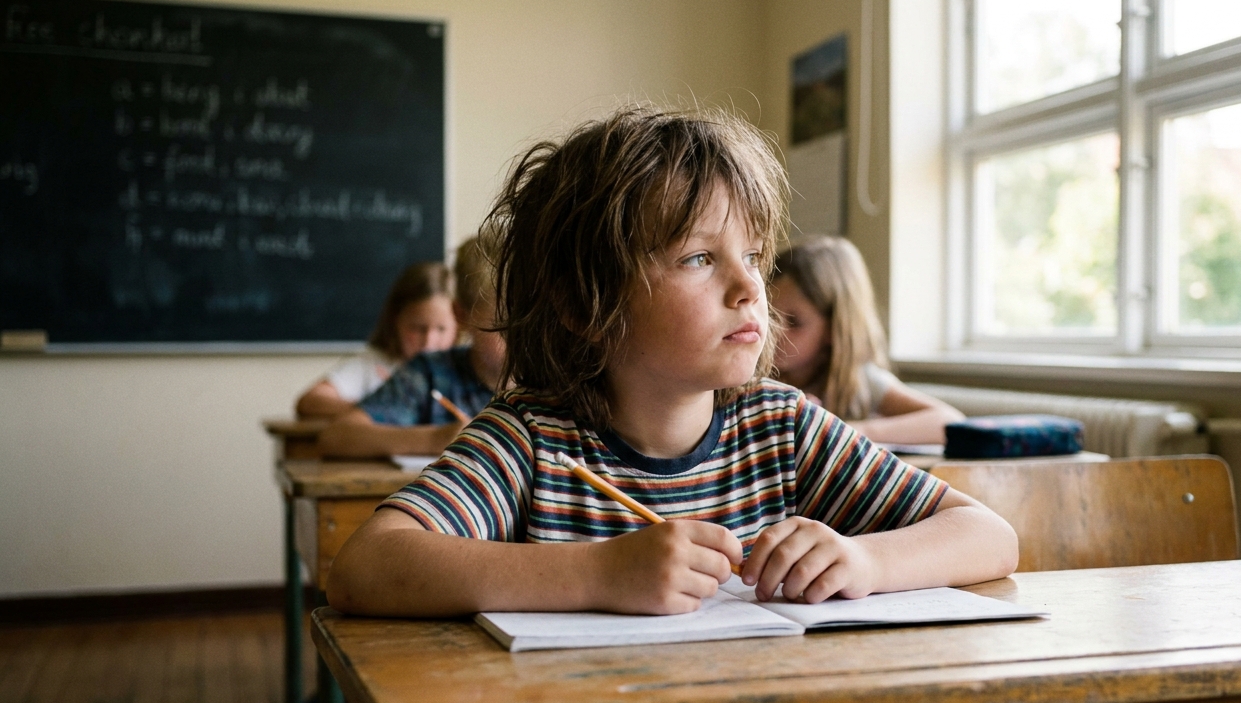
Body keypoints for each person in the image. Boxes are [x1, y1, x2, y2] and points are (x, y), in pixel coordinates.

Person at [326, 104, 1017, 618]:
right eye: (698, 258)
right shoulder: (532, 438)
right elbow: (365, 567)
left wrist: (867, 558)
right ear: (584, 307)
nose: (751, 287)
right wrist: (597, 575)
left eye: (753, 256)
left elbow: (987, 535)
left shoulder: (782, 428)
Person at [317, 236, 506, 457]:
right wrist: (436, 438)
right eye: (503, 328)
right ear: (461, 316)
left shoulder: (549, 381)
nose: (524, 341)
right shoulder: (427, 374)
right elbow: (336, 437)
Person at [771, 236, 966, 444]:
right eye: (769, 314)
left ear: (833, 329)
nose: (772, 332)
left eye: (794, 323)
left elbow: (950, 422)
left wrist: (841, 430)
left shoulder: (859, 381)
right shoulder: (752, 377)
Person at [295, 262, 458, 419]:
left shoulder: (461, 369)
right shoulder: (371, 365)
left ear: (460, 325)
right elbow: (310, 402)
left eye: (441, 329)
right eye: (417, 328)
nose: (429, 342)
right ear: (395, 321)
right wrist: (377, 409)